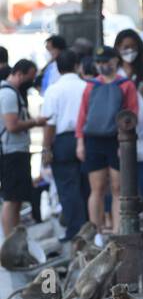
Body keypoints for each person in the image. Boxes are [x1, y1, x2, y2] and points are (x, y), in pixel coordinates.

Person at [75, 48, 138, 239]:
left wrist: (124, 144)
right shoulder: (91, 86)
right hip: (93, 139)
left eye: (106, 62)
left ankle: (119, 232)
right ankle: (97, 234)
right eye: (99, 62)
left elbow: (133, 115)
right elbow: (82, 116)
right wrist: (80, 142)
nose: (102, 66)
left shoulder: (126, 85)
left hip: (117, 139)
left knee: (118, 188)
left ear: (114, 61)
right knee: (97, 188)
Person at [114, 29, 143, 241]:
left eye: (132, 47)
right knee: (126, 187)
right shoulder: (116, 76)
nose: (128, 51)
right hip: (123, 139)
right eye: (124, 47)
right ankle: (130, 224)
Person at [40, 50, 89, 240]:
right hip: (86, 139)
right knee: (87, 186)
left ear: (58, 69)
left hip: (62, 141)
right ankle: (90, 228)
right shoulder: (86, 86)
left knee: (68, 188)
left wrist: (46, 148)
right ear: (77, 65)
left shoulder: (53, 90)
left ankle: (75, 231)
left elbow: (49, 124)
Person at [0, 61, 48, 237]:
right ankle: (9, 242)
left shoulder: (11, 92)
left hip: (15, 151)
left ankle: (14, 238)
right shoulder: (8, 94)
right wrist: (35, 122)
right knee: (11, 199)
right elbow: (12, 125)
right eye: (30, 77)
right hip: (12, 152)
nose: (32, 81)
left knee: (16, 199)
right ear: (20, 74)